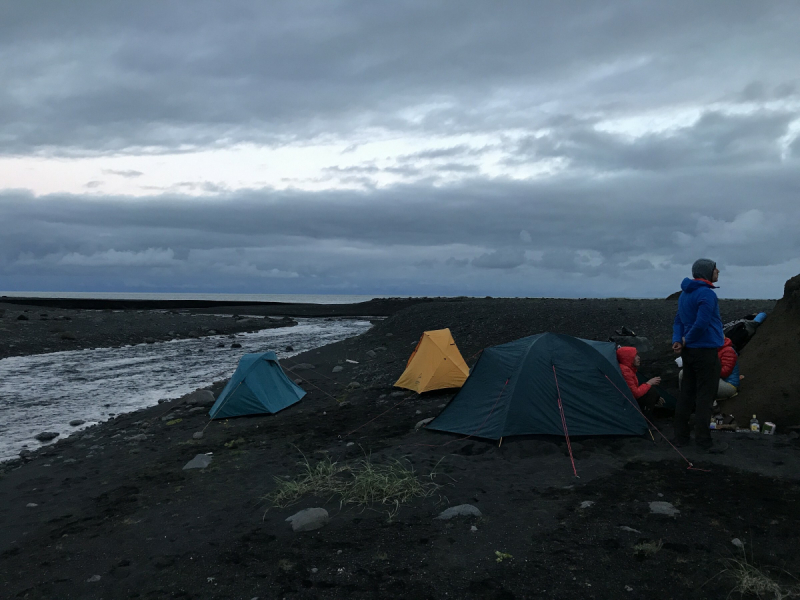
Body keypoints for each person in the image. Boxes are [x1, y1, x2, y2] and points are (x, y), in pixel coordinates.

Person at [672, 258, 727, 453]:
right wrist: (686, 339)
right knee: (705, 395)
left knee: (686, 392)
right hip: (705, 351)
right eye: (714, 268)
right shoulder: (706, 294)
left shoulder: (684, 295)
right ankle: (703, 440)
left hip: (689, 352)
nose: (718, 271)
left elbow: (678, 320)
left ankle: (681, 437)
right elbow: (702, 323)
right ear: (706, 272)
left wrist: (678, 340)